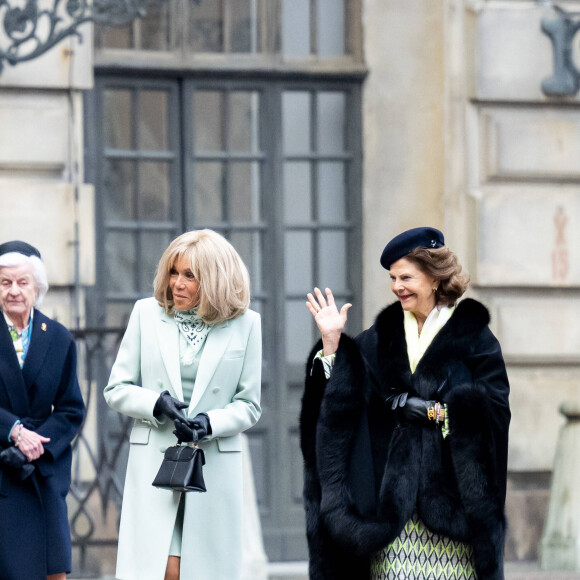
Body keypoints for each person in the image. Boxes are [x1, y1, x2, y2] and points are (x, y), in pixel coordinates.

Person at [301, 227, 510, 580]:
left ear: (434, 278)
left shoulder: (475, 339)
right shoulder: (379, 338)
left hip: (452, 508)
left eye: (406, 277)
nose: (398, 286)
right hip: (392, 514)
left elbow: (495, 409)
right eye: (393, 278)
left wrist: (436, 412)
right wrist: (332, 344)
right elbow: (341, 408)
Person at [104, 229, 262, 580]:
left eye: (189, 275)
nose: (177, 283)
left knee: (203, 568)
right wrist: (156, 403)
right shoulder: (145, 313)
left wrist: (209, 423)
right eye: (174, 272)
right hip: (155, 464)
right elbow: (116, 388)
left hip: (213, 466)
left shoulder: (247, 324)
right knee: (162, 568)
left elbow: (249, 405)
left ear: (215, 279)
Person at [0, 240, 86, 580]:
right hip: (3, 465)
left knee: (54, 571)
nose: (14, 291)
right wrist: (14, 432)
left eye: (22, 282)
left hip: (42, 470)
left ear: (38, 287)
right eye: (5, 283)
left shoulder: (59, 338)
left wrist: (38, 444)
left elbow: (70, 409)